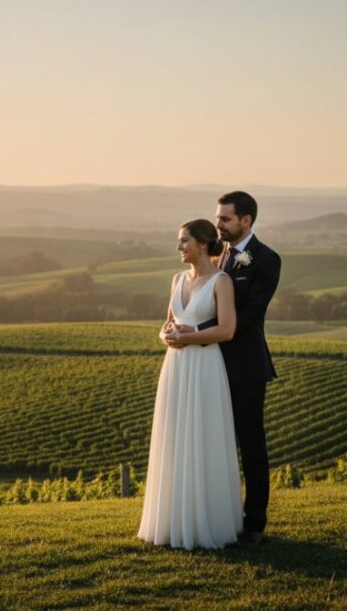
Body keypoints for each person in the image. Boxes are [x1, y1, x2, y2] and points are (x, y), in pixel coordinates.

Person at [138, 218, 242, 550]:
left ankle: (205, 520)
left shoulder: (221, 281)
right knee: (175, 435)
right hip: (177, 365)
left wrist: (191, 336)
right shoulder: (177, 279)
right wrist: (167, 335)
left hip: (205, 363)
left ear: (201, 243)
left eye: (184, 241)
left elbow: (227, 330)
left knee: (201, 434)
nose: (180, 247)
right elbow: (167, 324)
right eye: (179, 241)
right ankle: (172, 519)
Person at [204, 191, 280, 547]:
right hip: (210, 364)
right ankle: (220, 516)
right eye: (218, 217)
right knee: (214, 444)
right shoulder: (217, 256)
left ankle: (255, 525)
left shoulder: (266, 260)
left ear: (246, 220)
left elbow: (249, 318)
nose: (218, 224)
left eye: (225, 219)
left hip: (246, 367)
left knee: (251, 445)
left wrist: (198, 334)